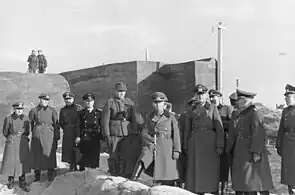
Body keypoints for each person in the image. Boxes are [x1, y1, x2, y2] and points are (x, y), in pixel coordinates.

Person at [226, 89, 273, 195]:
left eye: (239, 100)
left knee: (251, 181)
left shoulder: (254, 113)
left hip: (250, 152)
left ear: (245, 100)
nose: (237, 102)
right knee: (244, 180)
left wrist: (256, 152)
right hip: (242, 150)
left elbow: (258, 133)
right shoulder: (243, 114)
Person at [130, 92, 181, 186]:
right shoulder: (150, 117)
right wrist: (149, 142)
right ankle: (133, 180)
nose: (158, 105)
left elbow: (176, 134)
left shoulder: (171, 117)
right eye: (155, 103)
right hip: (155, 146)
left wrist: (177, 150)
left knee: (168, 174)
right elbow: (145, 132)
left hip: (167, 148)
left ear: (164, 104)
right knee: (145, 158)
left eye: (160, 102)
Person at [183, 84, 224, 194]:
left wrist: (220, 145)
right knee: (195, 170)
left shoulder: (212, 108)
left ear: (206, 95)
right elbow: (187, 129)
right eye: (198, 94)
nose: (200, 97)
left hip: (209, 142)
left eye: (202, 94)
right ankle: (197, 191)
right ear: (195, 96)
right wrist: (186, 146)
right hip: (195, 143)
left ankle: (211, 190)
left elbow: (219, 128)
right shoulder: (191, 109)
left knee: (210, 170)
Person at [101, 81, 139, 177]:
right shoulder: (110, 102)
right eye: (119, 91)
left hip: (126, 132)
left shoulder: (129, 102)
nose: (122, 93)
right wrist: (107, 135)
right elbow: (105, 120)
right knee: (113, 153)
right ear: (115, 91)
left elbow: (134, 118)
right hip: (114, 132)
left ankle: (124, 174)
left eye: (123, 91)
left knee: (125, 154)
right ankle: (114, 173)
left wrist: (134, 132)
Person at [0, 102, 31, 192]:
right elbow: (5, 131)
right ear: (14, 109)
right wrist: (11, 137)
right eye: (17, 109)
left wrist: (23, 137)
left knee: (22, 161)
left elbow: (28, 131)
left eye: (21, 109)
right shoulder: (8, 119)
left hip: (22, 141)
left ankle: (22, 181)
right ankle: (11, 180)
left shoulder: (26, 118)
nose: (19, 111)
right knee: (11, 161)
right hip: (12, 141)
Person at [29, 93, 60, 182]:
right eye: (44, 100)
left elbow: (56, 124)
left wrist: (57, 136)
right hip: (37, 133)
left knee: (49, 153)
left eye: (47, 100)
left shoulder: (52, 110)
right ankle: (37, 174)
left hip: (49, 134)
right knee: (37, 153)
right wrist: (31, 132)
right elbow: (29, 123)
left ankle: (50, 173)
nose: (45, 101)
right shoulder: (34, 110)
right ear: (40, 100)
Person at [208, 89, 234, 194]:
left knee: (224, 166)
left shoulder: (226, 109)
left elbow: (231, 124)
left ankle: (224, 189)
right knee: (213, 165)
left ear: (219, 98)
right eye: (211, 97)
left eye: (214, 97)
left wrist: (219, 124)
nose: (212, 99)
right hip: (211, 141)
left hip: (224, 140)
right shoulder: (208, 109)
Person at [276, 84, 295, 195]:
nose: (286, 99)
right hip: (287, 146)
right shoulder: (285, 111)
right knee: (289, 175)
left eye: (288, 97)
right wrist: (278, 144)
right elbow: (281, 129)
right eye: (286, 97)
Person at [77, 92, 102, 170]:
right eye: (87, 101)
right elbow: (78, 126)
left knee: (93, 159)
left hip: (94, 138)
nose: (89, 103)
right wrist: (78, 136)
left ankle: (93, 176)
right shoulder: (80, 113)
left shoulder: (98, 113)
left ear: (93, 102)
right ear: (85, 102)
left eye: (90, 101)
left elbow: (102, 126)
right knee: (83, 160)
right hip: (84, 137)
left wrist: (102, 137)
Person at [59, 92, 83, 172]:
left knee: (78, 151)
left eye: (69, 99)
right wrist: (66, 128)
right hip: (68, 133)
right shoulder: (63, 110)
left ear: (73, 99)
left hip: (77, 131)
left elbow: (82, 121)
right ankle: (72, 167)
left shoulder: (78, 108)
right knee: (69, 151)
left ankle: (81, 169)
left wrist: (79, 135)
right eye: (66, 99)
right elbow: (61, 122)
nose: (68, 101)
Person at [176, 97, 197, 188]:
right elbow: (181, 131)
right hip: (186, 144)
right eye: (192, 104)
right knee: (184, 167)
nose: (193, 106)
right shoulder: (185, 116)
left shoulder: (191, 115)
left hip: (192, 144)